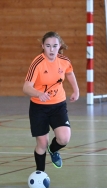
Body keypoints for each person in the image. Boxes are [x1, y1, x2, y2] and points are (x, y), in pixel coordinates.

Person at [23, 31, 79, 172]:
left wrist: (76, 90)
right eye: (48, 46)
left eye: (55, 46)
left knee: (64, 139)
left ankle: (53, 150)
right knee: (42, 142)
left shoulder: (64, 61)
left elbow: (70, 73)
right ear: (43, 46)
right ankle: (40, 173)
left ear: (59, 46)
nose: (52, 49)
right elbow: (26, 87)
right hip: (39, 108)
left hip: (58, 105)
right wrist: (38, 93)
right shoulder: (37, 63)